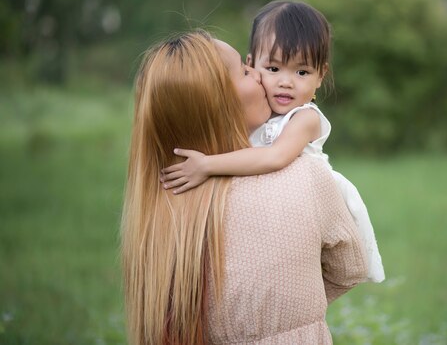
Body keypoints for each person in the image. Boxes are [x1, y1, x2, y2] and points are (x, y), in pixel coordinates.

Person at [121, 30, 367, 345]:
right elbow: (349, 268)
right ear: (220, 102)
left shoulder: (159, 202)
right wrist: (288, 314)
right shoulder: (304, 176)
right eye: (245, 69)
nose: (261, 77)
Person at [160, 0, 385, 283]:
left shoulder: (305, 119)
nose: (286, 82)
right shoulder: (258, 109)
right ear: (252, 64)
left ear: (320, 76)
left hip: (307, 207)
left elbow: (274, 157)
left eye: (302, 72)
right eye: (274, 68)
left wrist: (206, 165)